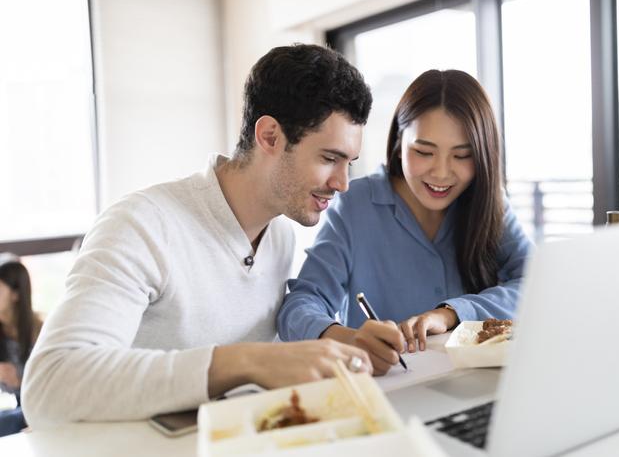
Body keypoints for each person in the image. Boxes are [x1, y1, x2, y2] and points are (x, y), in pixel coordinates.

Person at [21, 44, 374, 427]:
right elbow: (50, 385)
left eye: (349, 163)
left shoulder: (280, 238)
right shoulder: (143, 225)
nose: (342, 184)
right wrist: (246, 361)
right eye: (328, 159)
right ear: (270, 136)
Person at [277, 69, 532, 375]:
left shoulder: (490, 203)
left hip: (479, 385)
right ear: (399, 142)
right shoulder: (355, 206)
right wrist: (347, 338)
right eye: (424, 152)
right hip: (390, 390)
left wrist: (451, 314)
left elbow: (537, 283)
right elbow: (300, 304)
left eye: (462, 156)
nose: (440, 173)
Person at [0, 259, 43, 436]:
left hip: (43, 407)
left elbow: (52, 380)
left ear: (16, 294)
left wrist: (19, 381)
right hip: (22, 410)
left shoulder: (40, 331)